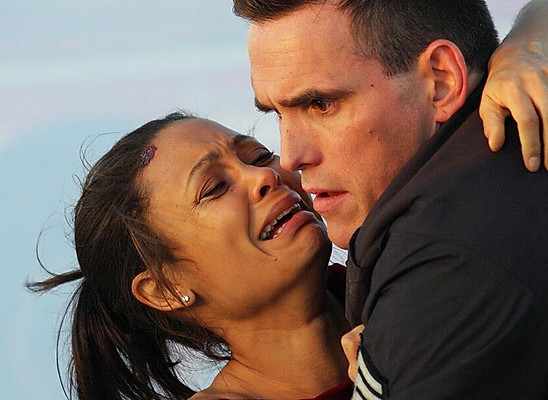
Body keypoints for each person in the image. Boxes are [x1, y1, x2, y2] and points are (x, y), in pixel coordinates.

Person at [237, 0, 548, 398]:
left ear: (442, 79)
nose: (291, 157)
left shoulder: (449, 259)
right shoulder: (536, 87)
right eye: (277, 114)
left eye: (320, 105)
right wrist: (525, 47)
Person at [29, 113, 352, 400]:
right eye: (214, 188)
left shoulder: (380, 281)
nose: (265, 176)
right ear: (165, 288)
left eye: (258, 156)